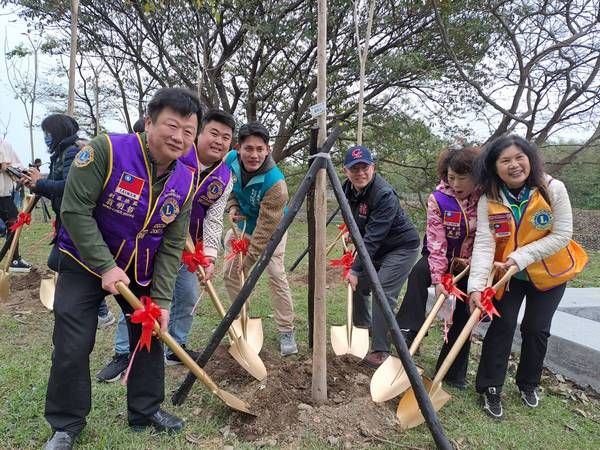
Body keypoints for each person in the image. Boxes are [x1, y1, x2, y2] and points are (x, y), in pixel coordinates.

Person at [42, 87, 200, 450]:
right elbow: (74, 209)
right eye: (171, 126)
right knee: (72, 342)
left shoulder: (185, 179)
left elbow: (173, 243)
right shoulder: (106, 150)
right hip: (84, 261)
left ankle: (145, 410)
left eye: (188, 131)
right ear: (149, 122)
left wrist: (159, 299)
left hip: (140, 268)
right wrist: (106, 265)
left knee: (149, 336)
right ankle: (66, 424)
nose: (179, 137)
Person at [97, 109, 234, 381]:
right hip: (150, 241)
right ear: (198, 134)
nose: (218, 141)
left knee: (186, 295)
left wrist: (208, 255)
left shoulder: (225, 177)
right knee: (138, 300)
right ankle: (124, 353)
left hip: (187, 251)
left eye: (226, 137)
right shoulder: (176, 154)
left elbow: (214, 218)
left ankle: (176, 346)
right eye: (213, 133)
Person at [467, 135, 587, 420]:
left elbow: (561, 235)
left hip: (550, 274)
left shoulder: (552, 189)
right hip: (509, 277)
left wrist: (520, 257)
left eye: (519, 157)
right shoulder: (489, 198)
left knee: (536, 329)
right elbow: (485, 244)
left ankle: (528, 383)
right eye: (505, 160)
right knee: (502, 326)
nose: (514, 165)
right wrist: (476, 287)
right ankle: (490, 388)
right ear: (494, 167)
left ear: (530, 159)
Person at [395, 145, 481, 388]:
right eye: (451, 177)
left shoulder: (485, 198)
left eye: (462, 178)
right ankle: (408, 330)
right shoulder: (439, 199)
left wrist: (473, 263)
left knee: (465, 312)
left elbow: (487, 237)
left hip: (472, 265)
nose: (456, 184)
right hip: (441, 259)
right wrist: (438, 278)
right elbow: (436, 241)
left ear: (476, 176)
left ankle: (453, 372)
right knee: (418, 272)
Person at [20, 114, 115, 328]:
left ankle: (101, 312)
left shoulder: (73, 151)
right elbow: (56, 183)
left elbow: (70, 186)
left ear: (58, 131)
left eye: (48, 133)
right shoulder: (60, 154)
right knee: (64, 263)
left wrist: (41, 184)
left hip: (76, 220)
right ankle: (96, 310)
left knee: (76, 264)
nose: (46, 138)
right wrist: (36, 183)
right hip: (65, 220)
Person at [223, 121, 298, 356]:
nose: (254, 155)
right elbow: (228, 189)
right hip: (244, 226)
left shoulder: (275, 184)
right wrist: (233, 206)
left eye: (259, 149)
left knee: (275, 274)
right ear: (238, 148)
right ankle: (240, 318)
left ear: (267, 149)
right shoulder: (229, 161)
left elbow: (265, 232)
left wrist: (248, 261)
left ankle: (286, 329)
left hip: (272, 230)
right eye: (248, 148)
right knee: (230, 272)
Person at [342, 145, 420, 368]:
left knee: (381, 290)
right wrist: (351, 230)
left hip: (401, 248)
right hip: (377, 249)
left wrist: (356, 269)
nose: (360, 173)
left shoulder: (384, 194)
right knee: (357, 286)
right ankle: (364, 328)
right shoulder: (348, 189)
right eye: (354, 168)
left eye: (364, 167)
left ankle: (380, 350)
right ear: (346, 171)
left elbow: (373, 238)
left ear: (373, 168)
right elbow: (357, 217)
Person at [0, 138, 31, 272]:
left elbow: (19, 165)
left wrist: (12, 169)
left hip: (4, 194)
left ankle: (14, 259)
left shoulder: (5, 144)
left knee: (14, 224)